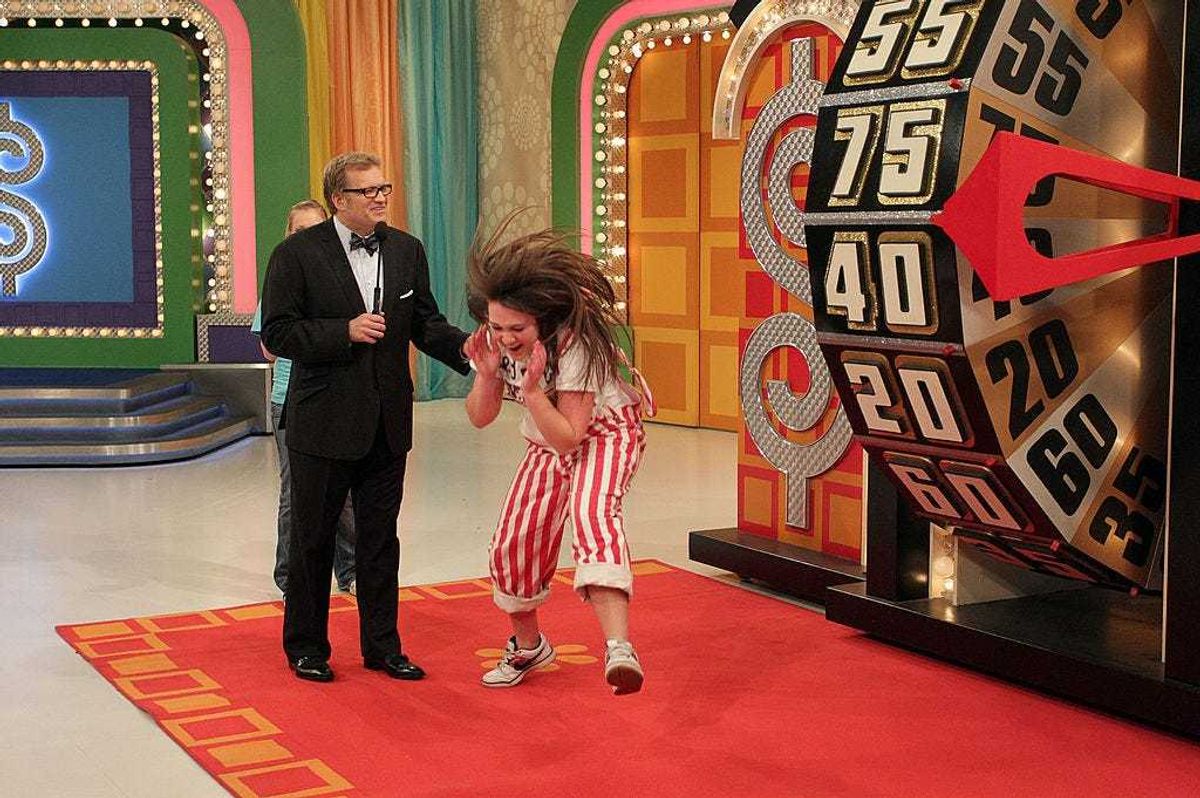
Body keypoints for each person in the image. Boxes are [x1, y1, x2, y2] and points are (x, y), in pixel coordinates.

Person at [261, 152, 470, 683]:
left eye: (385, 188)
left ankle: (383, 646)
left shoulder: (406, 250)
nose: (380, 198)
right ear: (339, 200)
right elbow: (278, 333)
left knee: (380, 541)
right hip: (322, 423)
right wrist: (342, 332)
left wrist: (473, 350)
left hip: (386, 424)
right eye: (368, 191)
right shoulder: (297, 254)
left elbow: (426, 323)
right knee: (314, 539)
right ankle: (306, 647)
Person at [463, 220, 654, 695]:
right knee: (513, 542)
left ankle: (619, 648)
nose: (506, 337)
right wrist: (488, 377)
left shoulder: (577, 346)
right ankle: (529, 647)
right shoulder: (493, 343)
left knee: (593, 514)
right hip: (545, 434)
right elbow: (480, 418)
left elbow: (572, 436)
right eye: (496, 326)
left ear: (542, 323)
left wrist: (530, 394)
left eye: (517, 329)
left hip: (604, 433)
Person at [252, 200, 357, 599]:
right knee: (296, 492)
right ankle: (290, 577)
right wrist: (326, 336)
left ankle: (350, 571)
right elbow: (272, 347)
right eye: (300, 230)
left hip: (336, 398)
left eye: (317, 229)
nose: (308, 238)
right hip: (290, 401)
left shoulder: (339, 280)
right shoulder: (282, 280)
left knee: (344, 491)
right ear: (288, 235)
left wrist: (319, 335)